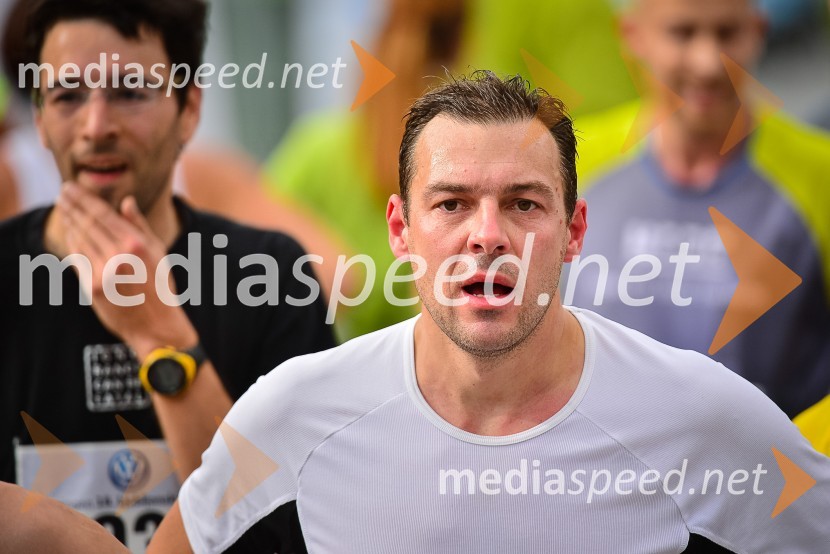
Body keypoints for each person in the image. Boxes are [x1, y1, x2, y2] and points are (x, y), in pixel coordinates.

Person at [150, 72, 829, 553]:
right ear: (400, 230)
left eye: (523, 203)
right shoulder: (296, 408)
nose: (488, 236)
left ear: (574, 231)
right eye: (451, 204)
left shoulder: (697, 414)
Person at [0, 0, 334, 550]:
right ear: (38, 115)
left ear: (189, 109)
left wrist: (160, 335)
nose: (96, 127)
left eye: (130, 92)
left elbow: (287, 532)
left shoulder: (272, 276)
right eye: (67, 95)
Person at [567, 0, 830, 418]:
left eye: (727, 33)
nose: (708, 62)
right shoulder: (570, 164)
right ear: (633, 36)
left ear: (758, 32)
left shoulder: (819, 173)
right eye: (683, 33)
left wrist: (795, 452)